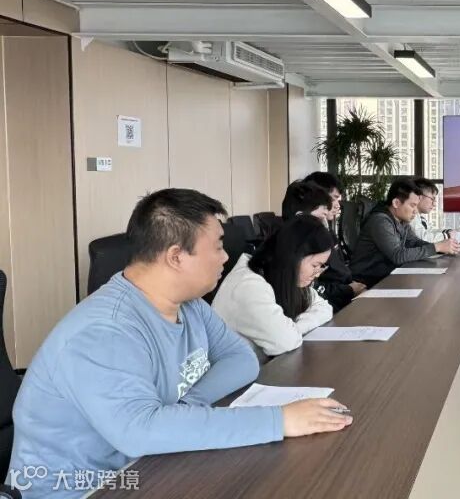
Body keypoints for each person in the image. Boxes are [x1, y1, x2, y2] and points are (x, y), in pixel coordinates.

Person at [6, 189, 351, 498]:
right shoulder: (104, 332)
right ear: (175, 256)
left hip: (149, 467)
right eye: (217, 246)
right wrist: (279, 421)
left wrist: (186, 406)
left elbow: (241, 359)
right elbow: (139, 431)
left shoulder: (190, 305)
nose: (225, 257)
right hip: (78, 487)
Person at [212, 215, 335, 359]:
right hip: (241, 371)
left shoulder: (284, 276)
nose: (317, 273)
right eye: (315, 265)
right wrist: (293, 329)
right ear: (293, 257)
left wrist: (295, 328)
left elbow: (325, 308)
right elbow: (285, 342)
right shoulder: (249, 286)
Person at [350, 178, 460, 287]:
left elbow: (414, 242)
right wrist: (436, 247)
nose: (415, 211)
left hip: (385, 277)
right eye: (412, 205)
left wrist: (442, 248)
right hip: (365, 283)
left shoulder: (401, 220)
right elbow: (398, 255)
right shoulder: (380, 221)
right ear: (396, 203)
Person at [282, 180, 365, 312]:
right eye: (320, 219)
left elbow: (314, 297)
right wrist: (348, 290)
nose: (324, 226)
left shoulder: (311, 239)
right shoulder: (291, 251)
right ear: (301, 218)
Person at [410, 177, 460, 244]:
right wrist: (448, 236)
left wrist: (451, 231)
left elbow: (430, 231)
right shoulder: (410, 217)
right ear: (419, 196)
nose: (434, 204)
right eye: (432, 199)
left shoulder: (420, 218)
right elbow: (423, 238)